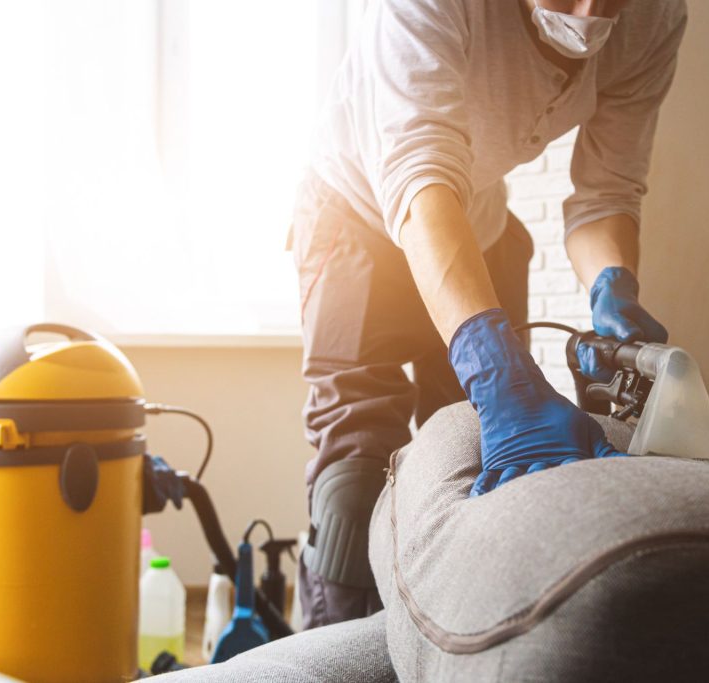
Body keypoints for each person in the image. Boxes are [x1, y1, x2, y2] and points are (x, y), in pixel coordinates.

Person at [291, 0, 687, 629]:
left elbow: (606, 191)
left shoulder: (654, 17)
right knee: (357, 472)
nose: (588, 13)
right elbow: (419, 174)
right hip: (356, 214)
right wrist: (489, 362)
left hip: (479, 218)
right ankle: (334, 644)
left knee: (479, 456)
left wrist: (613, 285)